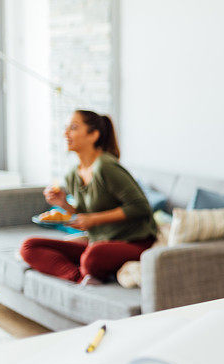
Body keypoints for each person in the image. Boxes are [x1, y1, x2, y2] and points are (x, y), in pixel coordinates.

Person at [20, 110, 157, 285]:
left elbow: (140, 206)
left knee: (93, 256)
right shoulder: (72, 175)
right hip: (98, 241)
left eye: (73, 128)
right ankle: (80, 277)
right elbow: (85, 213)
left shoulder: (106, 166)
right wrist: (63, 203)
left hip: (133, 242)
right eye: (66, 128)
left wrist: (93, 220)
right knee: (29, 246)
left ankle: (86, 271)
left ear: (93, 135)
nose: (65, 133)